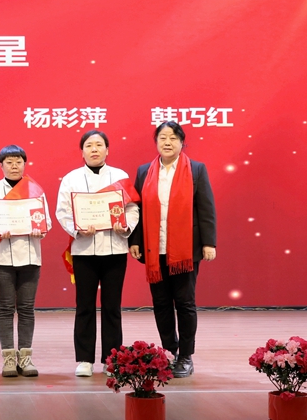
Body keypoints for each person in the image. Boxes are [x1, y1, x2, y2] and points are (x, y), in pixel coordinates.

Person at [129, 121, 217, 378]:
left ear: (182, 142)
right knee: (161, 303)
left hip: (185, 250)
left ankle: (186, 356)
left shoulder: (196, 169)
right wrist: (134, 240)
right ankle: (169, 352)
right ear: (156, 142)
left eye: (173, 138)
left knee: (185, 303)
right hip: (155, 248)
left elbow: (206, 208)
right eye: (162, 138)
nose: (167, 142)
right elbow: (137, 210)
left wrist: (209, 243)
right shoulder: (144, 171)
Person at [56, 130, 140, 378]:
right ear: (82, 151)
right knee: (84, 306)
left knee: (112, 306)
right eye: (89, 145)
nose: (94, 149)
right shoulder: (71, 179)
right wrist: (77, 228)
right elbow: (63, 212)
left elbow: (132, 208)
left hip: (115, 249)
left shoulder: (120, 176)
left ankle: (112, 359)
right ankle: (84, 359)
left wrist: (125, 226)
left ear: (107, 150)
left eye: (99, 145)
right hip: (84, 250)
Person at [0, 145, 51, 377]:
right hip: (1, 257)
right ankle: (9, 358)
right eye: (9, 162)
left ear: (24, 164)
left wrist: (40, 230)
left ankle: (26, 357)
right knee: (6, 308)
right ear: (1, 165)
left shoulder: (35, 190)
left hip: (30, 257)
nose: (14, 166)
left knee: (27, 308)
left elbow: (46, 221)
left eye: (18, 161)